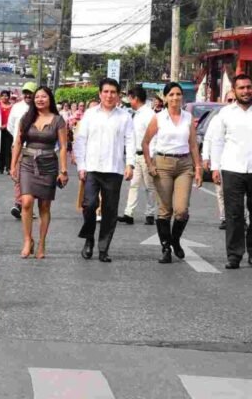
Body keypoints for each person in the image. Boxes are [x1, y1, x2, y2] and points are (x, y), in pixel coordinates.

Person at [74, 78, 134, 262]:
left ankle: (103, 248)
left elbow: (130, 140)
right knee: (89, 205)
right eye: (106, 92)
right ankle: (89, 238)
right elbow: (80, 140)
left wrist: (129, 164)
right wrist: (81, 166)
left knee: (109, 211)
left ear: (118, 95)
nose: (109, 95)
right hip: (92, 168)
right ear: (100, 94)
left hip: (114, 169)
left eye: (113, 92)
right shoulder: (90, 114)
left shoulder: (124, 116)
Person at [143, 82, 203, 264]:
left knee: (181, 210)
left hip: (184, 165)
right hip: (163, 163)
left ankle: (175, 239)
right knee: (164, 209)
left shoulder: (187, 117)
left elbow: (193, 145)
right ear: (166, 97)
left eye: (178, 94)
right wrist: (150, 164)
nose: (175, 98)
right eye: (172, 95)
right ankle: (166, 248)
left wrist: (198, 168)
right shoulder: (158, 118)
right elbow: (145, 142)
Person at [11, 86, 68, 259]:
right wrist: (13, 165)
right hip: (28, 163)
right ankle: (28, 240)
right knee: (26, 202)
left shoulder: (58, 120)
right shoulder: (26, 118)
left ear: (50, 99)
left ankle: (42, 242)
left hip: (49, 164)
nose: (40, 100)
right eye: (37, 97)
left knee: (44, 205)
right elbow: (18, 143)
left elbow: (64, 146)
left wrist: (63, 170)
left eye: (43, 97)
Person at [209, 73, 252, 269]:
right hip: (232, 169)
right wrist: (215, 168)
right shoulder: (225, 114)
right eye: (242, 88)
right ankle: (234, 255)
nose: (246, 91)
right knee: (234, 214)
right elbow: (217, 141)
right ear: (234, 91)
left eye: (249, 87)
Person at [119, 85, 157, 226]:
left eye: (130, 98)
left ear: (135, 98)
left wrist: (151, 157)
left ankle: (150, 213)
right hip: (136, 155)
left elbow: (154, 137)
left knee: (149, 186)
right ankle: (129, 213)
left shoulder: (149, 114)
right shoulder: (136, 114)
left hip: (147, 156)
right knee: (133, 185)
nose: (129, 101)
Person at [202, 92, 236, 230]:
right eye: (229, 99)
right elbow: (208, 139)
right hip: (221, 162)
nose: (232, 102)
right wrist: (206, 158)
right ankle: (224, 218)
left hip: (240, 164)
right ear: (224, 100)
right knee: (222, 192)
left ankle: (241, 218)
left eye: (234, 99)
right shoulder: (218, 118)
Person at [7, 82, 36, 218]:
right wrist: (17, 141)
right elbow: (10, 126)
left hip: (36, 149)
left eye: (31, 92)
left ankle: (28, 205)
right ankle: (19, 204)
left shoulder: (41, 108)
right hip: (19, 147)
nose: (28, 95)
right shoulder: (17, 108)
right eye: (26, 92)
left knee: (33, 178)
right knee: (19, 177)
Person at [0, 90, 14, 175]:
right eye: (3, 96)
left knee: (8, 150)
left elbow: (13, 119)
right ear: (0, 97)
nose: (4, 97)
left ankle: (8, 167)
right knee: (0, 149)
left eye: (6, 96)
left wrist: (6, 125)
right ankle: (0, 167)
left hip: (9, 130)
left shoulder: (13, 107)